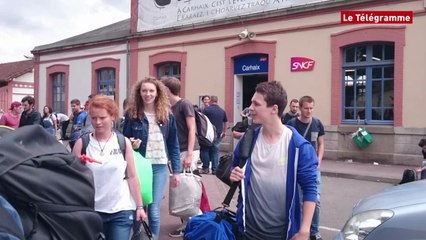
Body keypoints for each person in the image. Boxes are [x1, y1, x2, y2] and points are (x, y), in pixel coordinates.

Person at [229, 81, 318, 240]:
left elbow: (310, 189)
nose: (251, 108)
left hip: (283, 233)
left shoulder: (299, 147)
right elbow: (234, 166)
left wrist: (305, 230)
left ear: (274, 109)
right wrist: (233, 173)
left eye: (256, 104)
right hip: (247, 231)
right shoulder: (249, 139)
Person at [72, 95, 147, 240]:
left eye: (102, 118)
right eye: (93, 118)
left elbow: (132, 176)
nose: (97, 122)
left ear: (113, 116)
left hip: (121, 209)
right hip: (93, 210)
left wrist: (139, 207)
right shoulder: (82, 143)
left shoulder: (123, 142)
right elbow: (73, 179)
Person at [122, 77, 181, 239]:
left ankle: (152, 237)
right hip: (139, 166)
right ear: (139, 93)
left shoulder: (167, 115)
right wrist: (132, 143)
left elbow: (174, 144)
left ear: (157, 93)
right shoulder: (132, 115)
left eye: (151, 91)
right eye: (144, 91)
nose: (147, 94)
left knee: (154, 209)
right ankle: (138, 236)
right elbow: (123, 140)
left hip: (159, 167)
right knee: (139, 206)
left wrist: (177, 171)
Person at [161, 76, 201, 237]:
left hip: (187, 150)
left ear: (167, 90)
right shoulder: (168, 107)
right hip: (177, 152)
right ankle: (188, 223)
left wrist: (190, 154)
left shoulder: (184, 104)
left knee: (188, 189)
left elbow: (192, 129)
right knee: (181, 189)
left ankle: (198, 223)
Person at [287, 95, 325, 240]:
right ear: (300, 108)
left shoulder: (317, 123)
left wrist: (319, 159)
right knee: (298, 198)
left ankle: (314, 231)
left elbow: (321, 143)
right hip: (296, 167)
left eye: (311, 108)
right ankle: (299, 228)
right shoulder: (291, 123)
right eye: (306, 108)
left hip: (313, 167)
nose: (309, 111)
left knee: (315, 199)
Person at [201, 95, 228, 174]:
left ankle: (205, 168)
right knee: (215, 151)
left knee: (205, 149)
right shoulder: (222, 111)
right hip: (218, 133)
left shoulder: (206, 110)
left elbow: (202, 120)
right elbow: (225, 121)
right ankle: (214, 169)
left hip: (208, 133)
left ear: (211, 101)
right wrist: (225, 132)